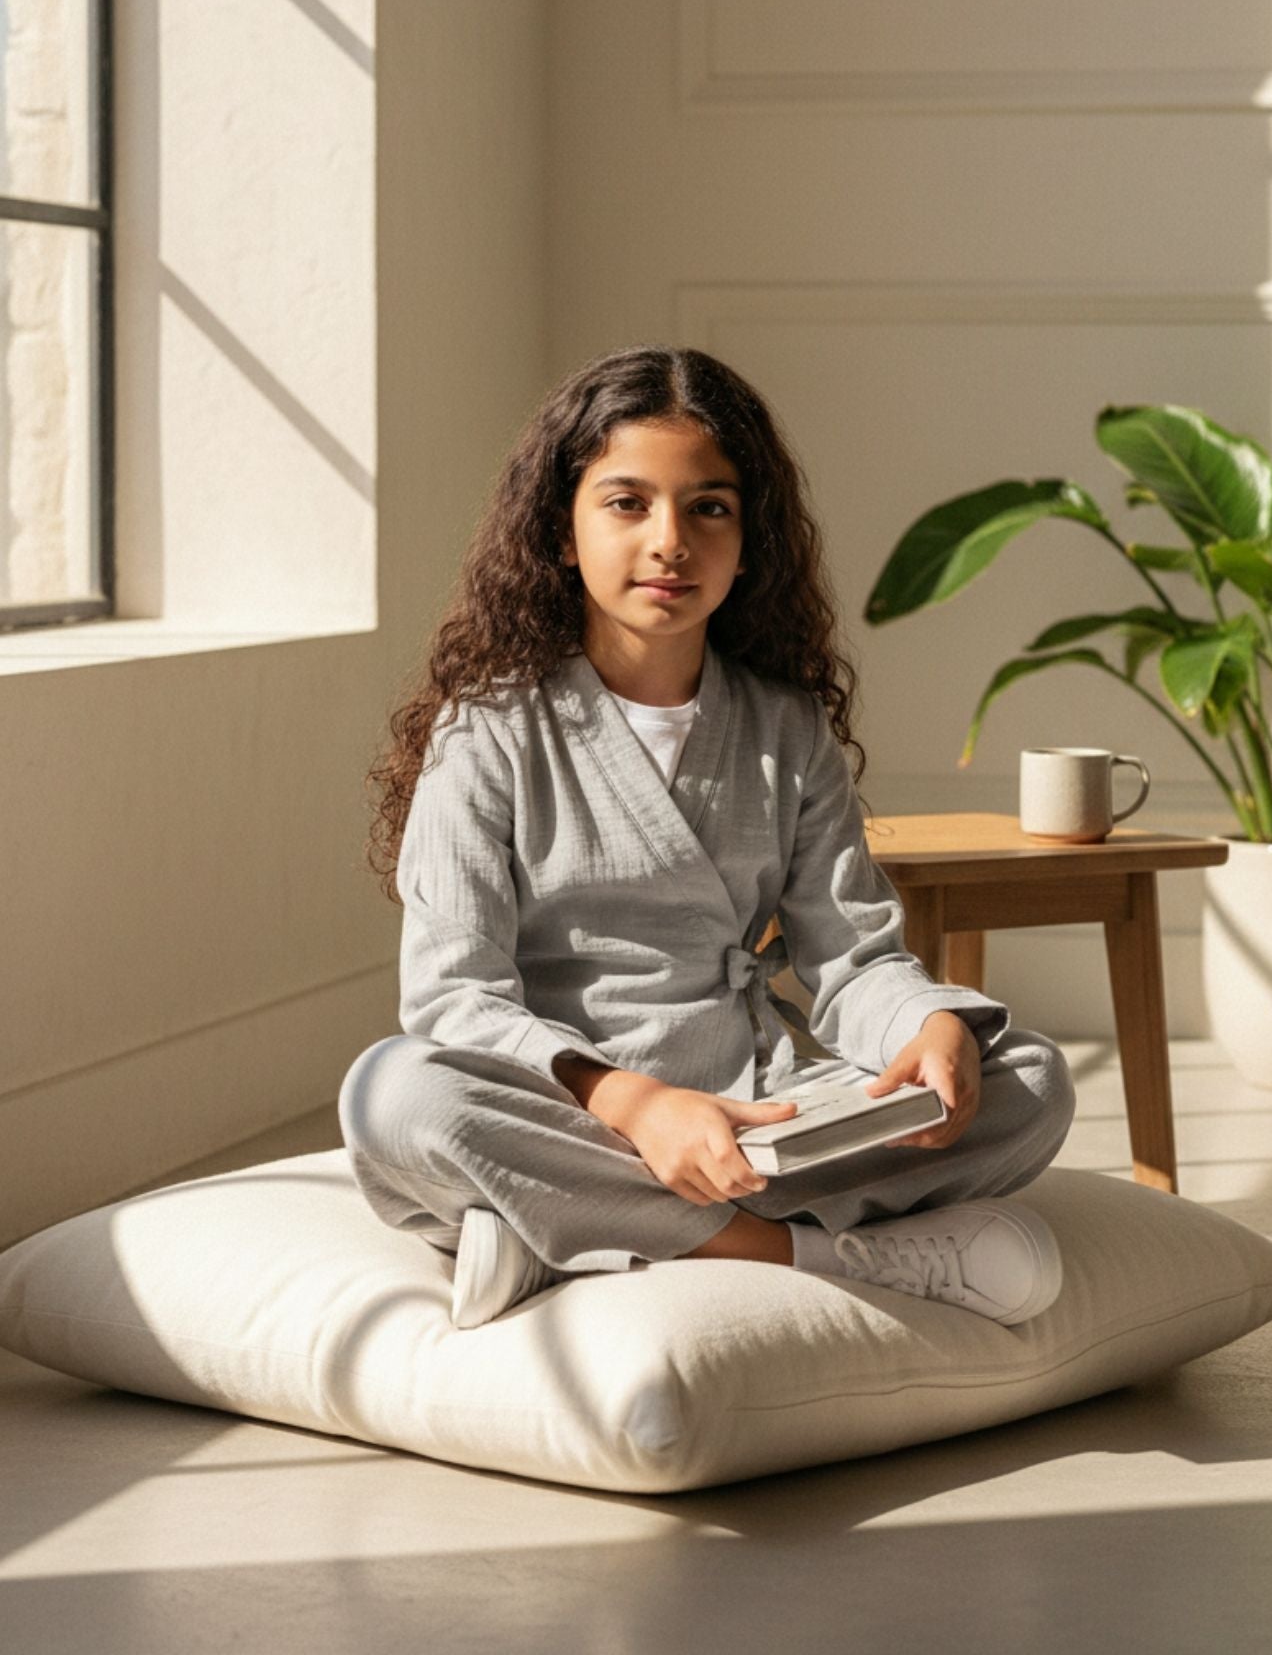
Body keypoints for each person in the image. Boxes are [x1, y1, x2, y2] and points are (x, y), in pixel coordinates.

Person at [339, 344, 1076, 1330]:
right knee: (393, 1093)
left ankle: (564, 1229)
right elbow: (452, 996)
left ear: (750, 536)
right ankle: (820, 1251)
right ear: (562, 530)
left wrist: (926, 1028)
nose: (670, 540)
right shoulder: (489, 727)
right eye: (628, 502)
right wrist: (634, 1104)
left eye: (709, 507)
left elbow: (853, 961)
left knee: (1029, 1078)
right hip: (573, 1105)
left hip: (759, 1108)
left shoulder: (785, 726)